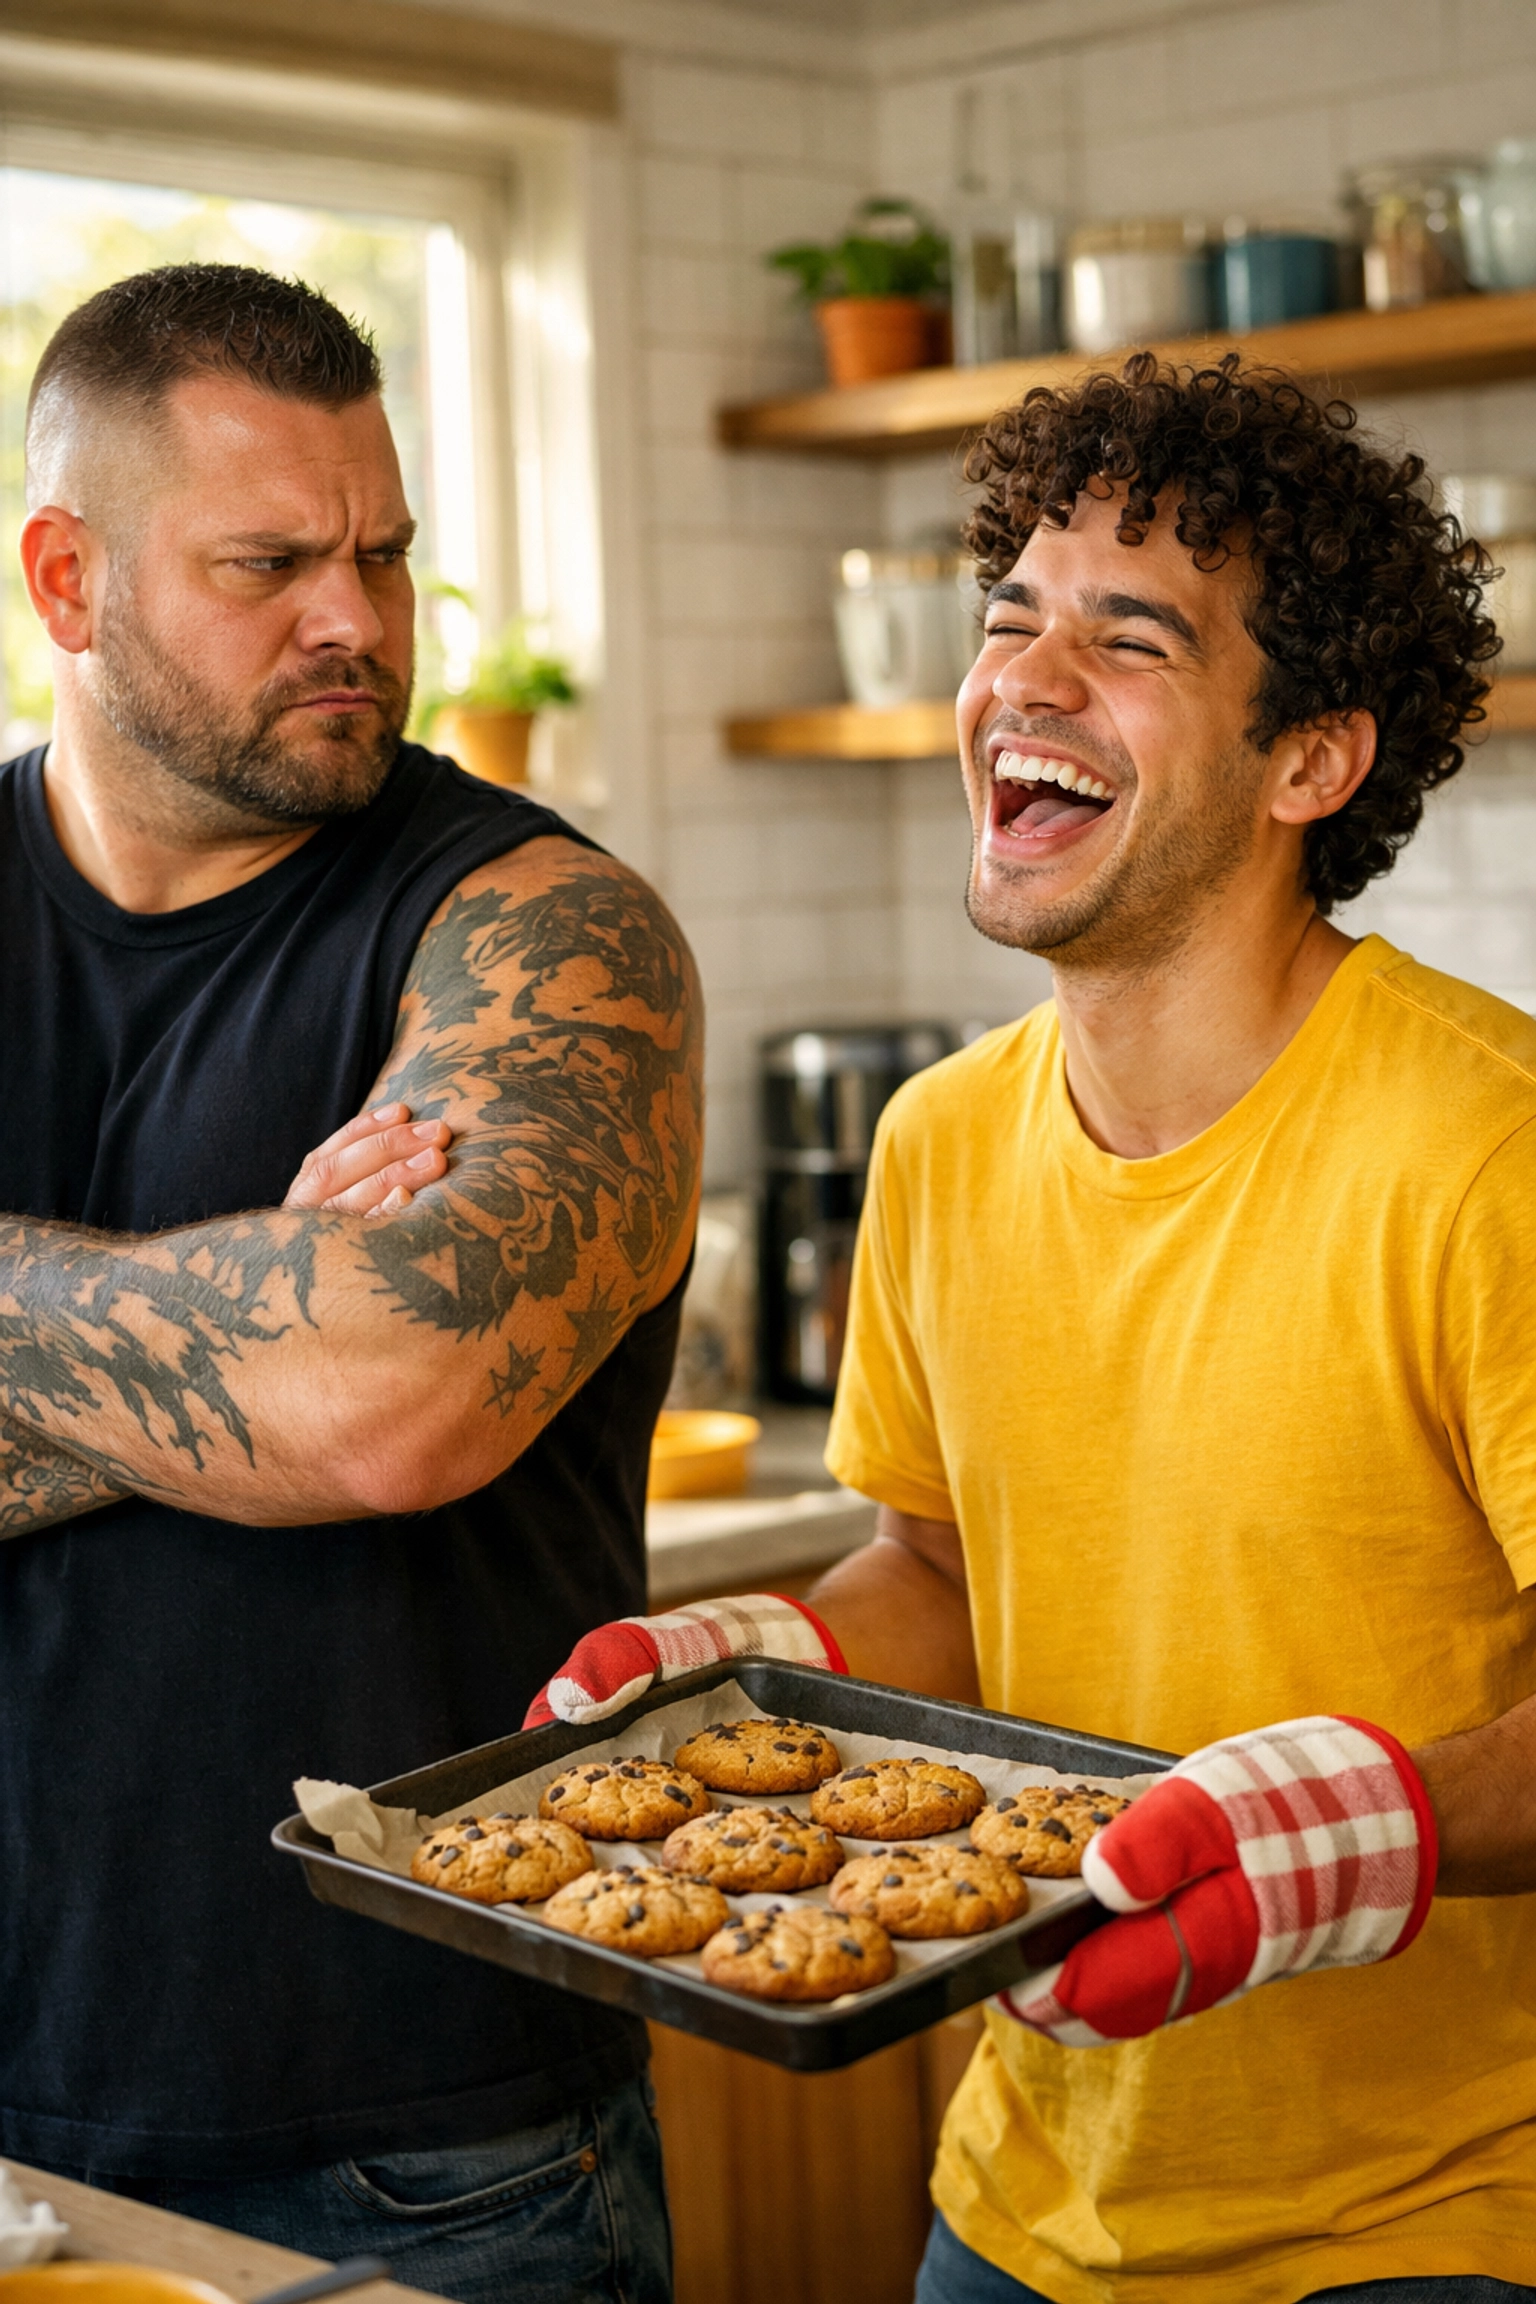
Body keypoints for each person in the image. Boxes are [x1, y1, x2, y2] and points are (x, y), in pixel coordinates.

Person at [534, 354, 1536, 2301]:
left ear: (1310, 761)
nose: (1026, 679)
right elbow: (940, 1571)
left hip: (1429, 2222)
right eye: (1010, 621)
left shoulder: (1483, 1151)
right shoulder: (940, 1141)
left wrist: (1358, 1834)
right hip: (1020, 2200)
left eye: (1130, 639)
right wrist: (761, 1665)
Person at [0, 262, 700, 2304]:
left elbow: (388, 1400)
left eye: (382, 555)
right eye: (271, 564)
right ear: (67, 580)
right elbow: (300, 1373)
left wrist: (311, 1359)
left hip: (445, 2154)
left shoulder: (546, 933)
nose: (358, 623)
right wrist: (254, 1318)